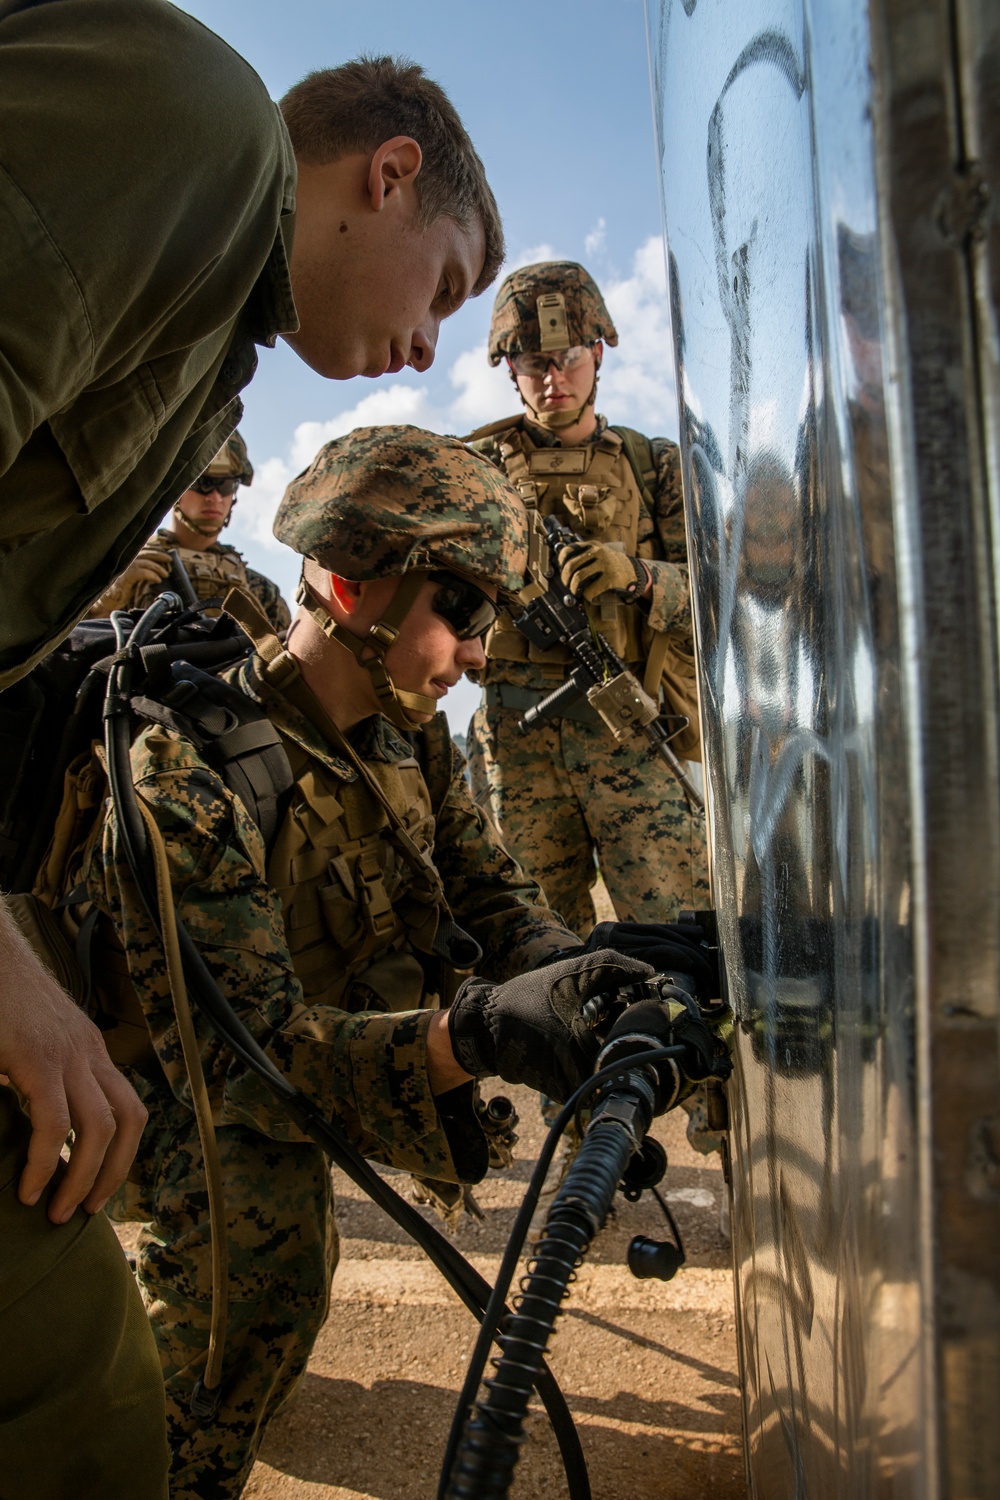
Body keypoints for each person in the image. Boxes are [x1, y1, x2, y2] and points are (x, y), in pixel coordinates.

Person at [0, 5, 502, 1490]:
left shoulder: (209, 351)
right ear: (391, 174)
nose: (428, 343)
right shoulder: (195, 129)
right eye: (449, 290)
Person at [65, 425, 684, 1498]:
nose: (482, 655)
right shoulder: (188, 769)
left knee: (281, 1305)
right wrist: (482, 1033)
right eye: (465, 615)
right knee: (260, 1286)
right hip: (152, 1094)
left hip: (291, 1050)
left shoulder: (408, 731)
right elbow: (250, 1059)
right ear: (355, 590)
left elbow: (490, 898)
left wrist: (593, 972)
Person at [465, 260, 710, 937]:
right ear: (509, 366)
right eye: (535, 362)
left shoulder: (653, 464)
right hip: (515, 739)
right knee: (529, 948)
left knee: (679, 936)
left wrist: (637, 575)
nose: (553, 380)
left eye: (569, 358)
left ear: (597, 353)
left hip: (630, 725)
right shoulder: (472, 471)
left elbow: (721, 599)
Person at [89, 432, 291, 632]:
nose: (215, 497)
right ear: (176, 486)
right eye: (202, 483)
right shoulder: (122, 568)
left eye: (226, 485)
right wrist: (111, 596)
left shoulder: (260, 591)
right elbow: (72, 642)